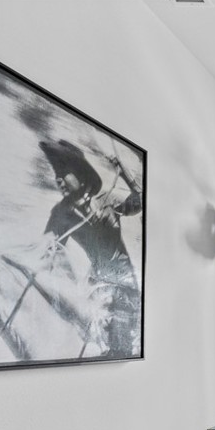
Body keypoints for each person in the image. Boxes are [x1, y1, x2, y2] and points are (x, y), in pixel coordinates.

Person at [39, 139, 142, 357]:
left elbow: (139, 202)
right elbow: (48, 249)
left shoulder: (107, 200)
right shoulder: (61, 213)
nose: (59, 179)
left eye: (64, 172)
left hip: (125, 284)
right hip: (96, 285)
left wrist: (124, 173)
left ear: (81, 174)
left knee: (121, 348)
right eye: (56, 174)